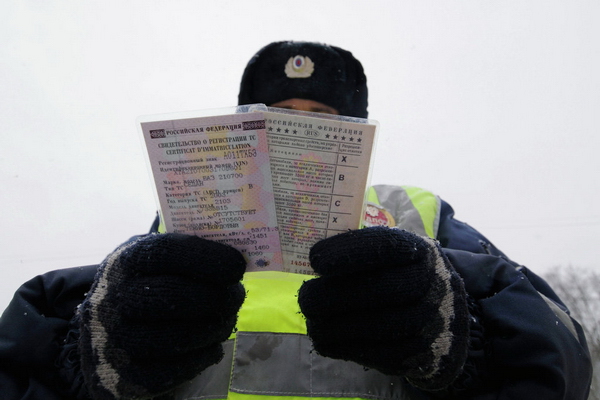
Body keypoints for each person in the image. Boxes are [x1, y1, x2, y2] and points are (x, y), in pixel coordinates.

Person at [0, 41, 592, 400]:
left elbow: (556, 351)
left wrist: (468, 343)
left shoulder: (416, 213)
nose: (297, 125)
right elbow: (28, 365)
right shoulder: (178, 227)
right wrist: (88, 358)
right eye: (279, 113)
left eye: (321, 114)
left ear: (355, 134)